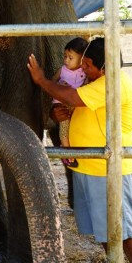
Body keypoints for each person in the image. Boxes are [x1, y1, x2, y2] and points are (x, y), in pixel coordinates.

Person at [27, 37, 132, 263]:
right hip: (89, 165)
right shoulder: (93, 83)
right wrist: (59, 114)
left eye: (88, 64)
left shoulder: (112, 82)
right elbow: (78, 106)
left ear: (104, 67)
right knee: (104, 228)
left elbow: (72, 97)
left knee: (127, 230)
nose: (83, 67)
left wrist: (41, 80)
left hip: (108, 169)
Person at [52, 37, 88, 167]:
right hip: (62, 105)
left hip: (76, 105)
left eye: (70, 57)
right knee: (64, 129)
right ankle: (68, 156)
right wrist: (60, 85)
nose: (66, 60)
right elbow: (52, 82)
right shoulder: (62, 70)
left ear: (82, 59)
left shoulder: (84, 72)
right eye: (65, 56)